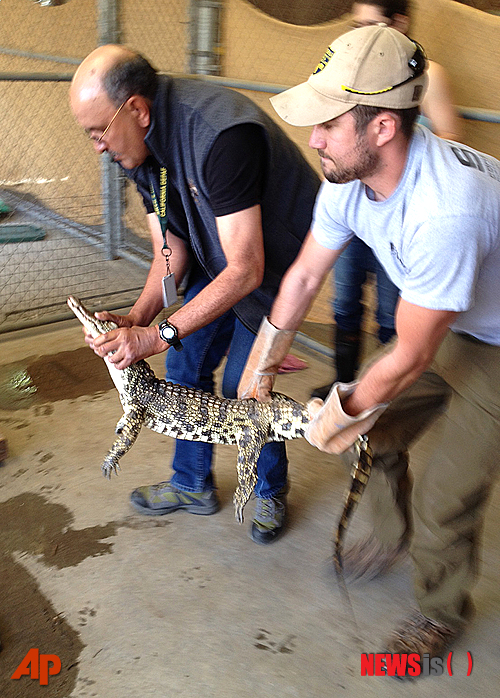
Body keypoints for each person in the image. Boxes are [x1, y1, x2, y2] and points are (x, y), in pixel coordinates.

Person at [238, 25, 500, 661]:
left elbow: (409, 356)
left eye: (329, 121)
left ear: (382, 126)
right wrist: (259, 369)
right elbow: (303, 275)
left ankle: (439, 614)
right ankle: (389, 532)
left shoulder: (446, 211)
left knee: (447, 495)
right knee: (379, 431)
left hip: (495, 342)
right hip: (449, 319)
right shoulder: (347, 177)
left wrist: (342, 412)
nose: (313, 137)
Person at [69, 45, 320, 544]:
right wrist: (137, 320)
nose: (98, 146)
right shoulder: (136, 147)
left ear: (137, 110)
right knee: (183, 366)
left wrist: (159, 334)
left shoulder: (221, 135)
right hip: (218, 256)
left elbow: (247, 270)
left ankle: (270, 489)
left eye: (99, 132)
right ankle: (192, 484)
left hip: (274, 271)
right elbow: (170, 248)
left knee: (245, 393)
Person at [311, 0, 461, 400]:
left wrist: (394, 156)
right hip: (361, 199)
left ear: (401, 22)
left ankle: (384, 392)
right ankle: (343, 383)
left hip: (404, 213)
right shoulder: (352, 71)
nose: (362, 34)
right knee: (344, 299)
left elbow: (448, 137)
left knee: (391, 309)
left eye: (373, 24)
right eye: (357, 25)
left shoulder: (431, 77)